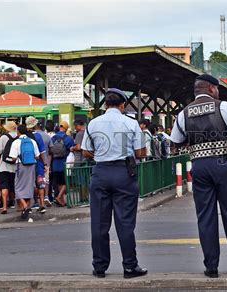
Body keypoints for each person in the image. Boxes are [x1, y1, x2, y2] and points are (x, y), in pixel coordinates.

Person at [170, 74, 227, 278]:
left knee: (206, 218)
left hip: (199, 167)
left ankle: (211, 267)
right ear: (211, 89)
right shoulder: (224, 107)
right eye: (217, 89)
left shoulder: (183, 114)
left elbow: (176, 142)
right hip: (223, 165)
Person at [82, 88, 148, 279]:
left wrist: (101, 155)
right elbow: (140, 153)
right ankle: (129, 266)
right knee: (125, 222)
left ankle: (100, 267)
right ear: (122, 105)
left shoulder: (93, 123)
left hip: (100, 173)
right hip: (124, 173)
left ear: (105, 105)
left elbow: (86, 151)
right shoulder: (131, 123)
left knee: (99, 223)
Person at [9, 124, 40, 220]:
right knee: (29, 186)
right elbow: (37, 156)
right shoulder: (32, 141)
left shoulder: (16, 142)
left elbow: (13, 158)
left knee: (18, 187)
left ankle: (25, 206)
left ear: (18, 132)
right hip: (31, 166)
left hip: (20, 166)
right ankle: (25, 207)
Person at [26, 116, 49, 213]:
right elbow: (42, 151)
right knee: (40, 184)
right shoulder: (38, 136)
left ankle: (28, 206)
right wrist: (45, 164)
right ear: (35, 125)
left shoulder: (25, 135)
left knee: (29, 184)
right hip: (38, 162)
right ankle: (42, 205)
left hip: (27, 164)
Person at [49, 121, 75, 207]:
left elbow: (50, 150)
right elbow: (71, 148)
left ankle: (61, 200)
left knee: (59, 182)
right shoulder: (68, 138)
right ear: (66, 128)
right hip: (64, 163)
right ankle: (59, 196)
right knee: (66, 182)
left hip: (55, 164)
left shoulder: (53, 138)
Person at [0, 121, 18, 214]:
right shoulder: (18, 137)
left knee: (4, 185)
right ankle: (13, 203)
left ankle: (4, 206)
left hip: (4, 166)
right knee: (13, 185)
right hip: (15, 165)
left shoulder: (4, 137)